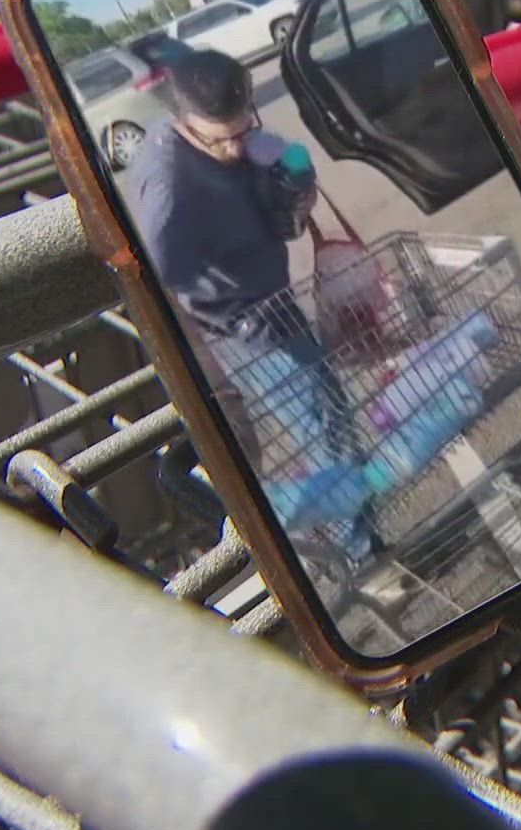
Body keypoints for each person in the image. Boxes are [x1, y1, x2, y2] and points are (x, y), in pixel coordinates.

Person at [117, 49, 375, 557]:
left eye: (243, 130)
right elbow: (160, 287)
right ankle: (362, 547)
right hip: (243, 322)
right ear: (182, 121)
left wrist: (292, 185)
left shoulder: (244, 144)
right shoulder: (167, 186)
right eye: (220, 140)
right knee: (330, 427)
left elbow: (285, 222)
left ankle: (353, 533)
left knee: (331, 422)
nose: (236, 148)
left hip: (274, 294)